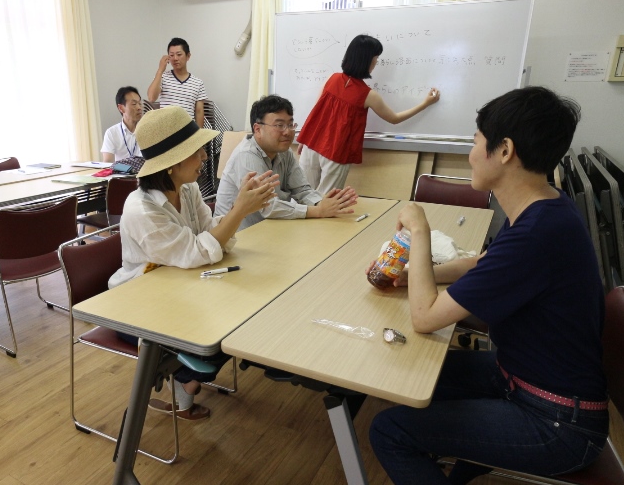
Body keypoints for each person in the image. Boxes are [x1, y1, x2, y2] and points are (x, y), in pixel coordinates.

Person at [368, 87, 607, 485]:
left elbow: (424, 317)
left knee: (390, 430)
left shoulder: (536, 233)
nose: (471, 151)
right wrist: (424, 274)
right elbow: (484, 265)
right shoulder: (548, 209)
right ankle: (449, 477)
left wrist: (419, 232)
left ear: (505, 151)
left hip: (558, 423)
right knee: (413, 380)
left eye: (476, 139)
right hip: (531, 382)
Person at [108, 106, 279, 421]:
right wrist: (238, 211)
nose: (204, 156)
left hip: (176, 290)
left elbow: (210, 238)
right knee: (214, 341)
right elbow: (197, 252)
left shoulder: (186, 190)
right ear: (172, 163)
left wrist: (229, 221)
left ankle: (186, 379)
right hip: (136, 307)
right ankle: (183, 381)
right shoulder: (143, 210)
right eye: (196, 150)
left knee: (234, 321)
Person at [297, 34, 440, 194]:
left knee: (304, 195)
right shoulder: (367, 95)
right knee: (327, 200)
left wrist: (304, 137)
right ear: (367, 60)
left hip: (312, 145)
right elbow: (394, 119)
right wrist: (425, 103)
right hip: (337, 150)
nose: (377, 62)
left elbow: (316, 111)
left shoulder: (332, 79)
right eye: (376, 58)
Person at [215, 94, 358, 231]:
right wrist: (318, 211)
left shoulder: (284, 153)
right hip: (240, 237)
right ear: (257, 129)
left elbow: (302, 190)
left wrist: (323, 203)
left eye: (290, 124)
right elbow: (268, 207)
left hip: (271, 229)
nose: (287, 132)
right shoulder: (246, 156)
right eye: (279, 125)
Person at [147, 37, 207, 127]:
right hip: (165, 132)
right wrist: (160, 70)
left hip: (188, 132)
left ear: (188, 56)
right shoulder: (162, 77)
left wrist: (200, 136)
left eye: (179, 54)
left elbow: (199, 111)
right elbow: (151, 98)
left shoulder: (198, 83)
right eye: (171, 55)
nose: (175, 58)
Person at [100, 86, 145, 173]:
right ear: (121, 108)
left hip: (145, 178)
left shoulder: (149, 130)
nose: (139, 107)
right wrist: (128, 169)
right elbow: (108, 162)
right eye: (134, 104)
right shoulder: (112, 133)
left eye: (140, 103)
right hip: (120, 179)